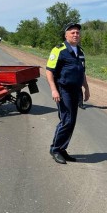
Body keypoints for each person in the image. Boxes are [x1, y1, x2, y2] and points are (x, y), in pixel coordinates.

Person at [45, 22, 90, 164]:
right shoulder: (58, 50)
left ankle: (63, 149)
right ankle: (55, 149)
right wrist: (53, 89)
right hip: (63, 90)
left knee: (72, 122)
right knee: (66, 120)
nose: (76, 35)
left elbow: (82, 72)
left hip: (76, 91)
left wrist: (86, 88)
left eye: (77, 32)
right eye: (72, 32)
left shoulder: (80, 52)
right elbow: (49, 71)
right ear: (66, 35)